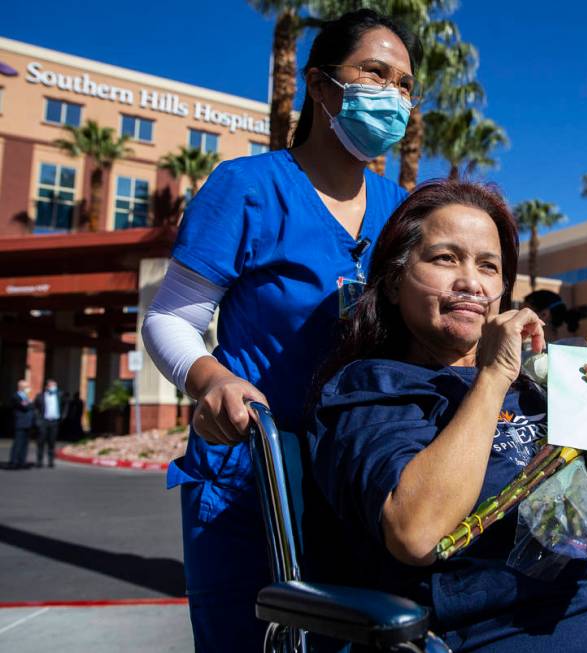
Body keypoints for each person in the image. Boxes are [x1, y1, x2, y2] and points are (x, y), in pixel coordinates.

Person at [310, 180, 587, 652]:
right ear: (394, 281)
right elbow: (415, 533)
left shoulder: (544, 384)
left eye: (488, 266)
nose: (471, 282)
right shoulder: (372, 386)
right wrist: (492, 375)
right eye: (445, 258)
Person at [140, 10, 417, 650]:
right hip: (250, 472)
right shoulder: (247, 187)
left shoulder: (402, 213)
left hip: (356, 478)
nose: (394, 97)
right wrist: (209, 378)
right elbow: (171, 319)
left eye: (404, 85)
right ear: (320, 88)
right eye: (375, 74)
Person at [33, 379, 63, 468]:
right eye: (52, 385)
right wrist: (38, 420)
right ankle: (39, 461)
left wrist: (62, 416)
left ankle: (51, 461)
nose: (54, 387)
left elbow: (66, 405)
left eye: (55, 385)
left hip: (54, 421)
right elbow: (35, 408)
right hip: (44, 421)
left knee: (52, 442)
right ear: (46, 387)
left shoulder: (59, 395)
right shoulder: (40, 396)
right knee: (41, 442)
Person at [8, 380, 34, 469]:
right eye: (26, 387)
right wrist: (30, 402)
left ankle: (22, 461)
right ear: (21, 387)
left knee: (25, 444)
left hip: (27, 423)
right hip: (19, 423)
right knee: (18, 443)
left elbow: (30, 406)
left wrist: (29, 402)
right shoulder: (16, 396)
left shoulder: (25, 397)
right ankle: (13, 462)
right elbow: (25, 407)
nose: (28, 388)